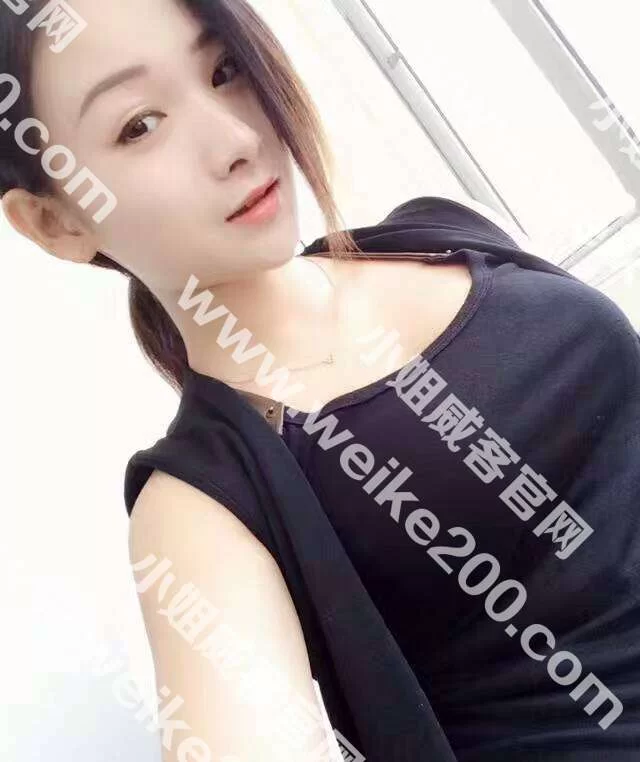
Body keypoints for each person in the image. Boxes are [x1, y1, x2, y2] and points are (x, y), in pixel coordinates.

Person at [2, 1, 639, 760]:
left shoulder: (449, 227)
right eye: (140, 125)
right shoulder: (199, 509)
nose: (237, 140)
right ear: (56, 223)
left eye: (225, 70)